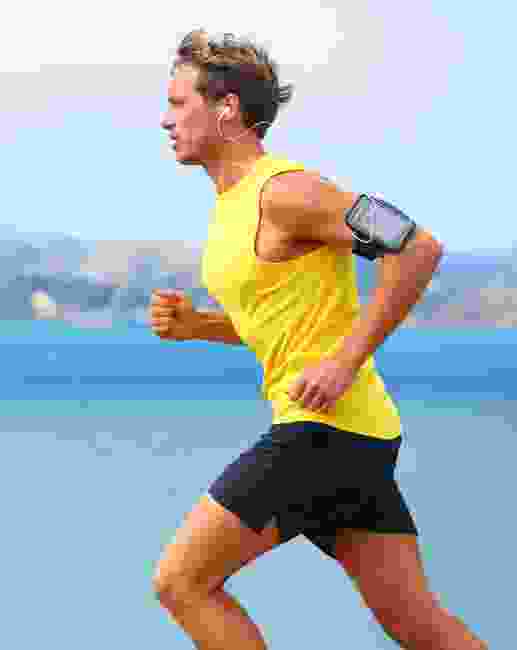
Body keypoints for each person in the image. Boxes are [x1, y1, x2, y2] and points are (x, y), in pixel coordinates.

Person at [150, 29, 488, 650]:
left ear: (226, 108)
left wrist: (344, 361)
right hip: (357, 435)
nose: (164, 120)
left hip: (322, 433)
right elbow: (284, 326)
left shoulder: (288, 191)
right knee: (422, 629)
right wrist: (200, 327)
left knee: (182, 582)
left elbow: (417, 246)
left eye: (177, 103)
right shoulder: (231, 206)